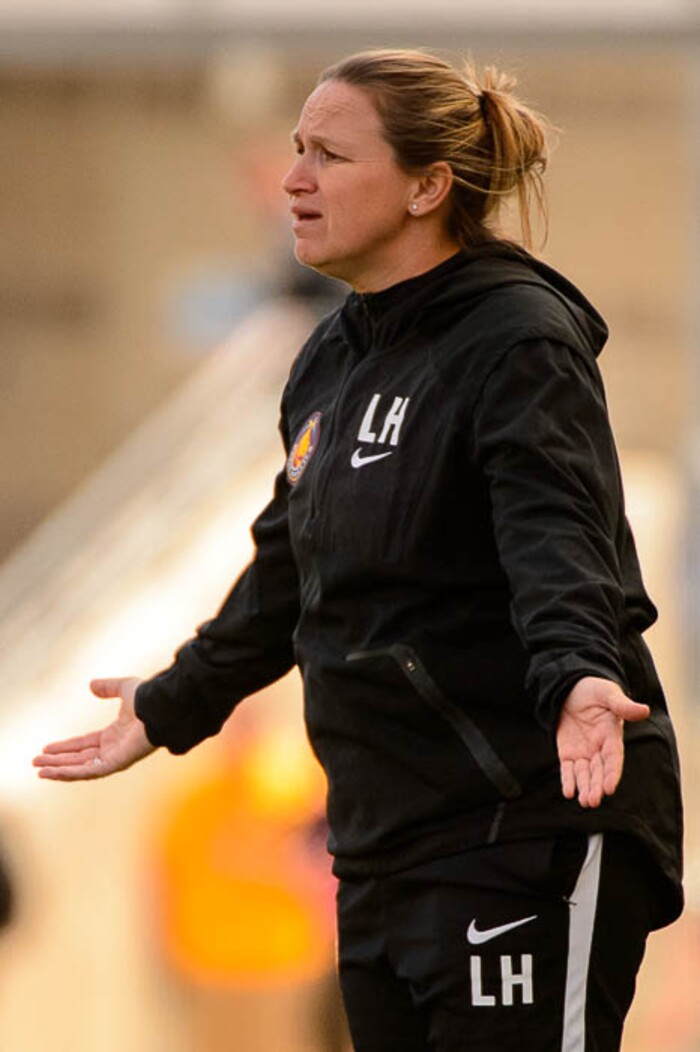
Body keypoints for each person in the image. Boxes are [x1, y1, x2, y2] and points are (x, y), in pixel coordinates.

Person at [34, 48, 683, 1051]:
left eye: (330, 156)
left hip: (525, 824)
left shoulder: (515, 339)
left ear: (427, 187)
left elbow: (556, 531)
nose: (294, 179)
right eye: (297, 150)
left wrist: (578, 671)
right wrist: (169, 704)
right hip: (383, 845)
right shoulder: (330, 359)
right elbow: (285, 573)